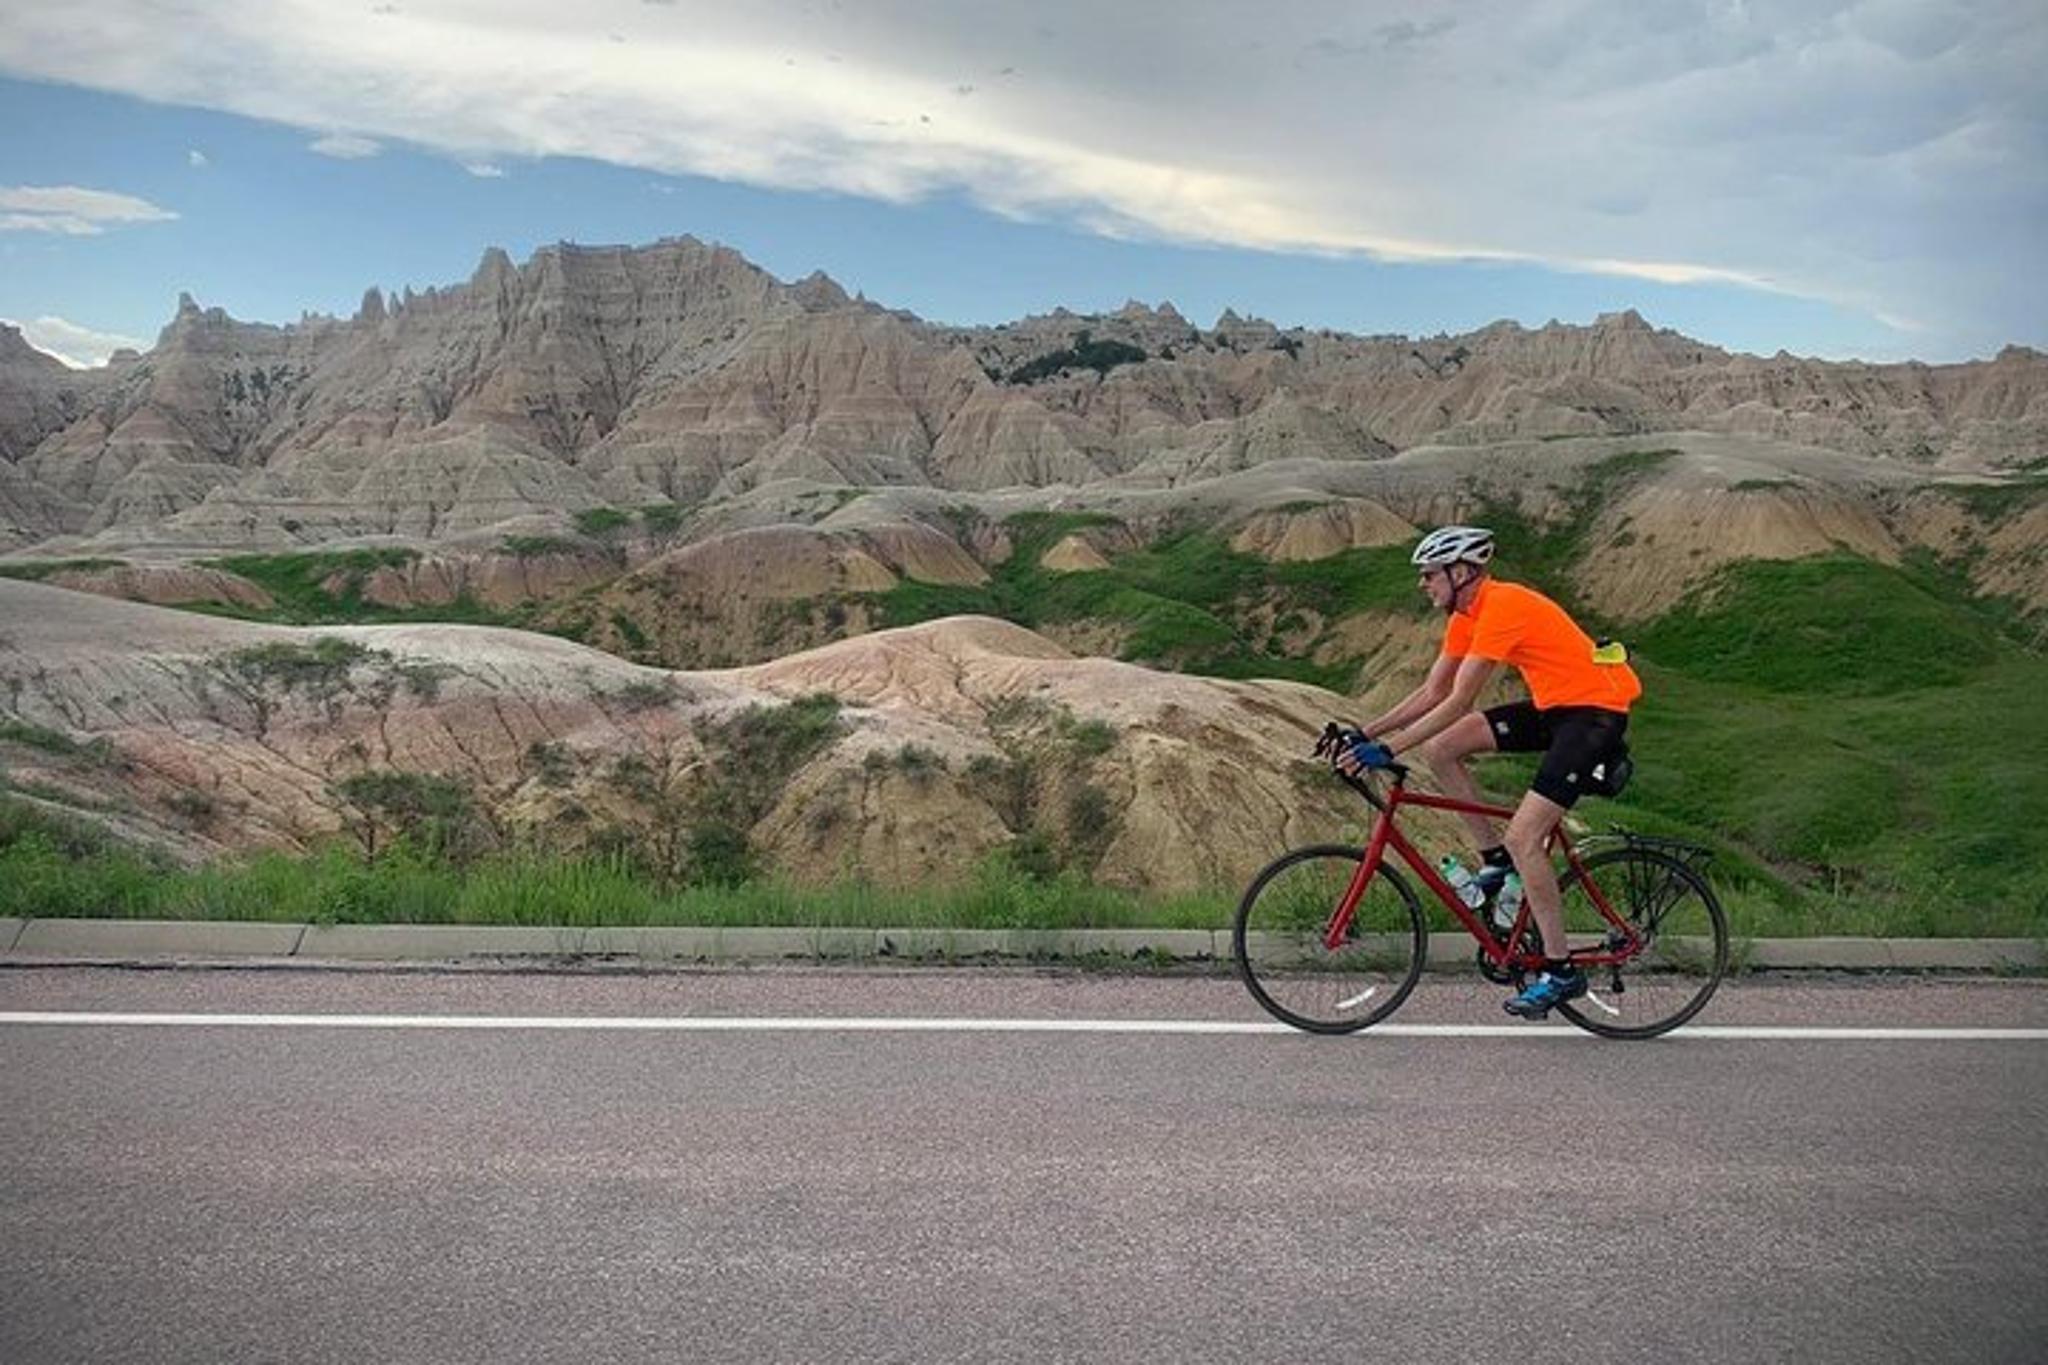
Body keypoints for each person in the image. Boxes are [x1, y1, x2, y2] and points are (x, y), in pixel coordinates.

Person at [1337, 525, 1641, 1018]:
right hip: (1557, 709)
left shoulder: (1503, 605)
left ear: (1461, 572)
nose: (1422, 583)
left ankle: (1561, 970)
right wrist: (1365, 733)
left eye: (1429, 574)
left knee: (1526, 838)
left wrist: (1388, 748)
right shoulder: (1466, 614)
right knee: (1443, 749)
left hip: (1592, 716)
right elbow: (1432, 692)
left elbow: (1460, 699)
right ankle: (1495, 859)